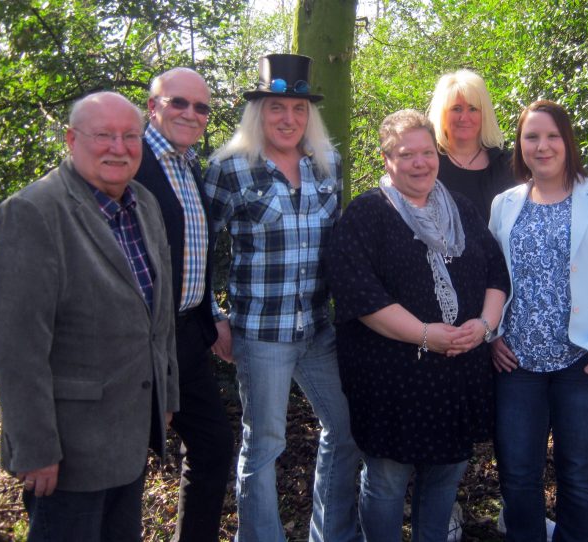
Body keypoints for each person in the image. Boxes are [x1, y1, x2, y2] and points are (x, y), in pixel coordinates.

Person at [0, 91, 178, 541]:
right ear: (72, 140)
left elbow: (159, 313)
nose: (119, 147)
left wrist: (165, 396)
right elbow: (16, 349)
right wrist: (35, 448)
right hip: (67, 453)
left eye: (130, 136)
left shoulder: (143, 204)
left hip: (127, 436)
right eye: (103, 135)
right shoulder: (32, 213)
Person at [326, 109, 509, 542]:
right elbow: (361, 295)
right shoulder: (367, 213)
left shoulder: (460, 208)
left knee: (446, 473)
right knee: (388, 479)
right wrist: (427, 334)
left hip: (458, 370)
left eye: (427, 152)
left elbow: (497, 273)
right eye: (407, 154)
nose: (420, 163)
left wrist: (483, 326)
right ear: (387, 158)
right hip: (392, 376)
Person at [203, 53, 361, 542]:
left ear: (308, 114)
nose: (288, 119)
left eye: (298, 109)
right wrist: (214, 317)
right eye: (276, 108)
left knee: (349, 428)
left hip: (317, 328)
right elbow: (198, 247)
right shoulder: (230, 169)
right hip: (261, 334)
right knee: (265, 444)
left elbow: (341, 246)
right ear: (259, 112)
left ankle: (330, 534)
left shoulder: (327, 163)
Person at [488, 99, 588, 542]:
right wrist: (492, 335)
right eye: (531, 137)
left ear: (567, 141)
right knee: (518, 475)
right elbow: (494, 277)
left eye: (552, 135)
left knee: (579, 474)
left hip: (587, 361)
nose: (542, 146)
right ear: (520, 145)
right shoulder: (505, 204)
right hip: (516, 364)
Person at [136, 67, 234, 542]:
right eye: (179, 103)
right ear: (153, 107)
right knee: (126, 460)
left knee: (213, 449)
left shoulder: (190, 164)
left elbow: (196, 253)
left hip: (189, 338)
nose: (191, 114)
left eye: (201, 107)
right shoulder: (129, 161)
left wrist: (212, 317)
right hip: (138, 342)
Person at [427, 69, 513, 223]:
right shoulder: (427, 165)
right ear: (442, 114)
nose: (464, 117)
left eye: (473, 109)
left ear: (484, 114)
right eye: (456, 109)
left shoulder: (508, 165)